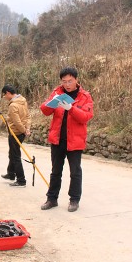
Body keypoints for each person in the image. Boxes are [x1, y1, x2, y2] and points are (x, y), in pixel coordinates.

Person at [39, 67, 94, 212]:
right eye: (64, 81)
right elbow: (44, 110)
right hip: (57, 139)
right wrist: (52, 103)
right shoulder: (57, 92)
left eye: (70, 81)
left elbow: (85, 117)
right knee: (55, 171)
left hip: (75, 141)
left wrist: (71, 108)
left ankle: (74, 200)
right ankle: (51, 199)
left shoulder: (85, 96)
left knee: (75, 172)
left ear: (76, 80)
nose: (67, 84)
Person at [0, 84, 31, 187]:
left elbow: (16, 121)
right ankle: (11, 173)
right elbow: (28, 116)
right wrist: (27, 129)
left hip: (15, 132)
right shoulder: (23, 101)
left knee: (16, 156)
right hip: (21, 132)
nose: (4, 97)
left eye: (4, 95)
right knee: (12, 153)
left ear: (8, 93)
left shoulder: (13, 105)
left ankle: (21, 180)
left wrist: (24, 130)